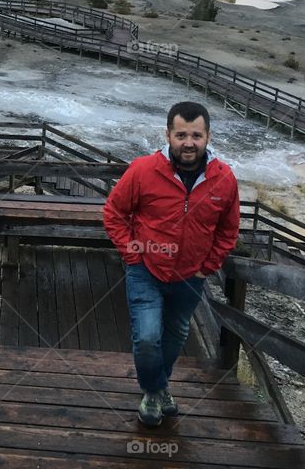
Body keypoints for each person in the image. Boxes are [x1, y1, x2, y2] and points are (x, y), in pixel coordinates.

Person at [103, 101, 239, 427]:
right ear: (168, 135)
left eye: (196, 135)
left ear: (207, 136)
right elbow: (114, 213)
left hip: (191, 276)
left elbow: (228, 229)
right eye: (181, 135)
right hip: (146, 270)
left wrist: (209, 265)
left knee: (175, 334)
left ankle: (156, 389)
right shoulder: (143, 170)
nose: (188, 143)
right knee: (148, 337)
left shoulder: (224, 179)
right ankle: (155, 390)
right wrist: (132, 254)